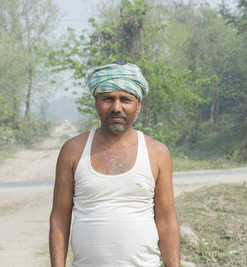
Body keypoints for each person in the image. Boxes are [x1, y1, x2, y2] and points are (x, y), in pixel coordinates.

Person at [49, 62, 180, 267]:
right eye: (108, 99)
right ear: (96, 102)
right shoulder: (73, 151)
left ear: (137, 106)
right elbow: (60, 217)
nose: (116, 107)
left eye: (125, 99)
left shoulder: (157, 153)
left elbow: (166, 221)